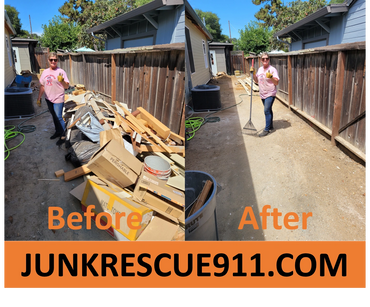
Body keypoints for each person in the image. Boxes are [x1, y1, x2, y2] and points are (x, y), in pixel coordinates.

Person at [37, 52, 70, 145]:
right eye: (51, 59)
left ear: (57, 61)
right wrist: (39, 98)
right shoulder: (45, 72)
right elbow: (42, 86)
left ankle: (63, 136)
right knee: (54, 116)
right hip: (48, 98)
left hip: (58, 98)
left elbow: (66, 87)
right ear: (48, 60)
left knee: (59, 117)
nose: (53, 61)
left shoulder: (61, 72)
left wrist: (62, 80)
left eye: (55, 60)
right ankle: (58, 131)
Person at [251, 52, 279, 137]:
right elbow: (256, 81)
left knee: (266, 110)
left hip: (270, 93)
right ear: (261, 60)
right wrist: (253, 73)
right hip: (262, 93)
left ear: (269, 59)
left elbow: (276, 82)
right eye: (263, 59)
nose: (265, 60)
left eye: (267, 58)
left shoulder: (272, 69)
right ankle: (271, 126)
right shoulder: (259, 69)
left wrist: (270, 77)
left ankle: (266, 129)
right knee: (269, 110)